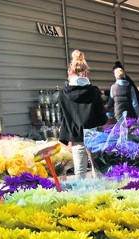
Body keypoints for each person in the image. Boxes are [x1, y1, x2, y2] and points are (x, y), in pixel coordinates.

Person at [58, 50, 107, 178]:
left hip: (76, 137)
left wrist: (66, 136)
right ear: (85, 73)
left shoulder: (63, 93)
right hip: (93, 135)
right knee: (98, 172)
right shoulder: (94, 91)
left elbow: (62, 117)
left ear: (70, 73)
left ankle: (79, 197)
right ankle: (101, 197)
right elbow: (102, 118)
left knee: (79, 173)